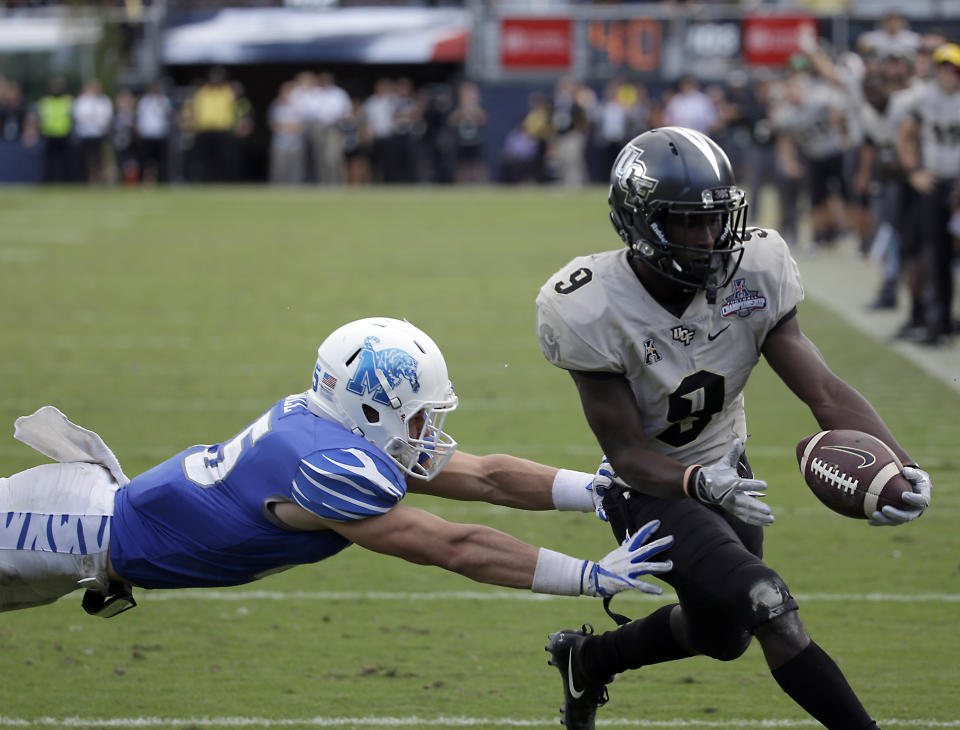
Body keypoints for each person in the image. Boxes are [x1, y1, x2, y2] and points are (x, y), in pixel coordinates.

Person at [535, 127, 933, 730]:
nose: (708, 239)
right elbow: (626, 453)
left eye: (716, 219)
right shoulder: (589, 305)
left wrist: (900, 462)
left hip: (731, 472)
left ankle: (588, 658)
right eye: (686, 223)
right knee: (768, 604)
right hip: (651, 488)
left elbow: (823, 391)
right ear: (637, 224)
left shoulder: (758, 266)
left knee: (720, 634)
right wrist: (700, 483)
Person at [0, 317, 674, 618]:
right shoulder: (329, 467)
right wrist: (586, 577)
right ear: (373, 408)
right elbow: (453, 545)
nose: (427, 431)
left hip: (86, 533)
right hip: (59, 531)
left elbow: (484, 475)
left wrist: (595, 491)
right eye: (417, 414)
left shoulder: (331, 425)